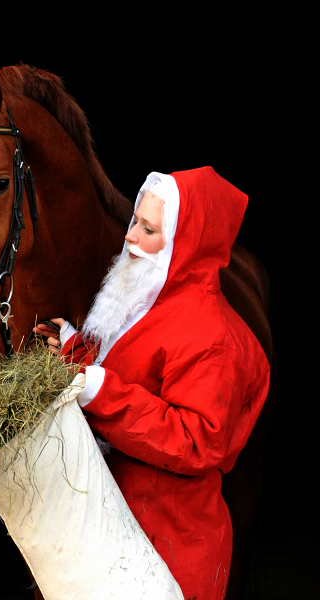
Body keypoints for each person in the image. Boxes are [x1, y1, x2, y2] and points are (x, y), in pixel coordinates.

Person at [33, 166, 270, 600]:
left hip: (170, 549)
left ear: (186, 243)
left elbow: (194, 441)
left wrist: (95, 389)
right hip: (122, 533)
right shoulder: (156, 301)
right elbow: (138, 380)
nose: (130, 237)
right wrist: (73, 351)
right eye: (134, 222)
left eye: (149, 229)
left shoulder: (212, 337)